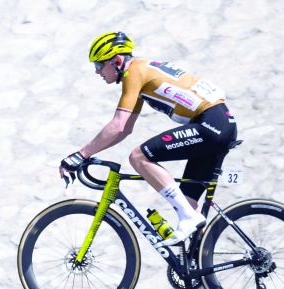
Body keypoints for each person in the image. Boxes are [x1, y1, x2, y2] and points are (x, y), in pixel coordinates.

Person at [59, 32, 237, 248]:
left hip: (211, 124)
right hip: (218, 124)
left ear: (116, 61)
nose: (96, 71)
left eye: (99, 64)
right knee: (188, 207)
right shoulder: (141, 73)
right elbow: (124, 129)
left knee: (138, 157)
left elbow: (117, 125)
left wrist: (81, 154)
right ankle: (202, 275)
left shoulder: (133, 73)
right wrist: (89, 153)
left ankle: (190, 220)